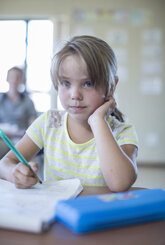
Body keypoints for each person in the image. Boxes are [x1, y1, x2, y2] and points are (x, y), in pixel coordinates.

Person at [0, 36, 138, 192]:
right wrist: (14, 173)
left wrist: (98, 121)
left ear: (111, 86)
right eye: (66, 83)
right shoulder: (49, 122)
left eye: (88, 83)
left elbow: (120, 184)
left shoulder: (123, 132)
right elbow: (4, 163)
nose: (75, 95)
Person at [0, 66, 37, 158]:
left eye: (18, 77)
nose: (14, 80)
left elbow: (33, 125)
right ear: (7, 79)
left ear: (22, 80)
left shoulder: (28, 102)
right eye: (12, 77)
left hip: (21, 139)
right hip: (2, 138)